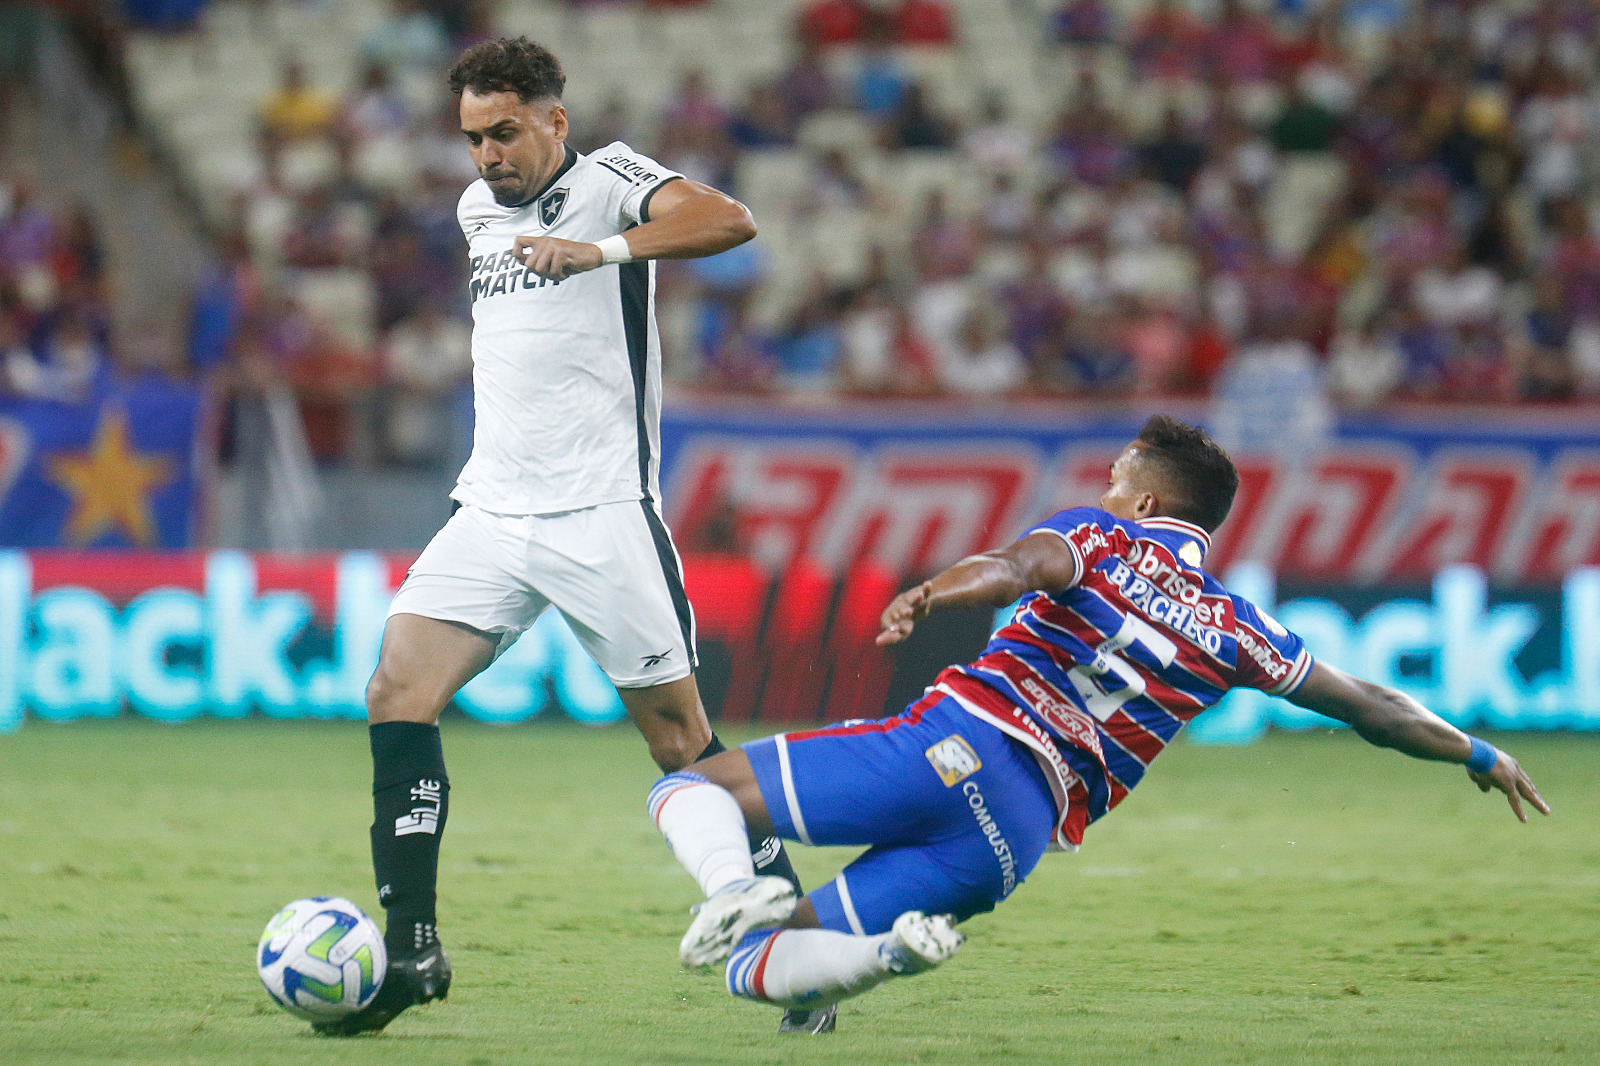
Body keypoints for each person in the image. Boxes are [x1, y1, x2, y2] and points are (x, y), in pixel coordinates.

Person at [645, 415, 1549, 1017]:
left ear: (1148, 503)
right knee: (782, 968)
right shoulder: (1242, 628)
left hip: (955, 747)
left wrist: (932, 592)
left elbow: (1013, 566)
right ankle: (892, 957)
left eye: (1119, 478)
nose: (1108, 487)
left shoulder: (1102, 537)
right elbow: (1376, 708)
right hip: (1015, 838)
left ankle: (732, 889)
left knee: (693, 789)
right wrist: (1474, 750)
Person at [317, 37, 828, 1037]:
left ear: (555, 118)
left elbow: (729, 219)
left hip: (601, 513)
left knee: (681, 744)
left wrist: (598, 250)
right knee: (396, 690)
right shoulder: (475, 212)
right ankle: (414, 947)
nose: (487, 155)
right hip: (492, 511)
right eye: (472, 136)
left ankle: (800, 956)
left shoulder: (609, 180)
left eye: (505, 130)